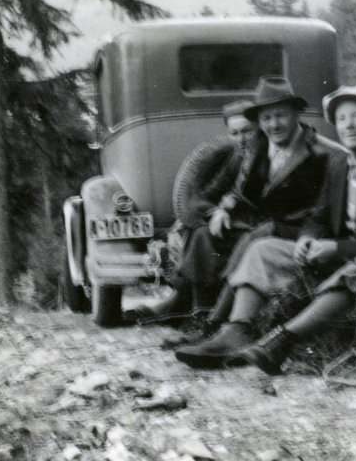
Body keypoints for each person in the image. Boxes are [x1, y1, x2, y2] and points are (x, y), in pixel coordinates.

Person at [174, 84, 356, 372]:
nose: (349, 125)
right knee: (263, 249)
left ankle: (282, 341)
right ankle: (236, 332)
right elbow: (318, 217)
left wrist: (336, 248)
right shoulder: (339, 164)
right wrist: (308, 238)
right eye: (342, 119)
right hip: (346, 255)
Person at [138, 76, 339, 325]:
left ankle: (214, 320)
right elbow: (228, 192)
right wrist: (220, 210)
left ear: (297, 114)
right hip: (257, 225)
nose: (273, 124)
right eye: (266, 118)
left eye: (281, 116)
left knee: (251, 239)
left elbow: (320, 212)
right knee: (203, 233)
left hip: (291, 232)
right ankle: (193, 310)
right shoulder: (257, 149)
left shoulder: (320, 154)